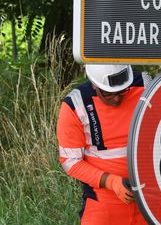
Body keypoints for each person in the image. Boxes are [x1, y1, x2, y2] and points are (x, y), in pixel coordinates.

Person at [57, 64, 151, 225]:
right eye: (108, 93)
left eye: (122, 91)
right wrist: (111, 181)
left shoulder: (146, 85)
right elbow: (70, 161)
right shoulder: (76, 105)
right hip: (103, 200)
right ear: (94, 84)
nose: (117, 98)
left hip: (149, 197)